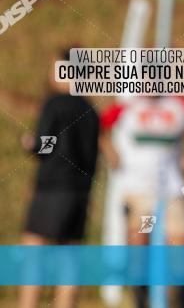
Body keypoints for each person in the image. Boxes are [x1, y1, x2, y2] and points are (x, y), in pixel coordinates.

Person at [99, 94, 184, 308]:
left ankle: (178, 302)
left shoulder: (179, 106)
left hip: (172, 193)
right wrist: (113, 156)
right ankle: (141, 302)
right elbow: (98, 126)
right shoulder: (127, 107)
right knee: (139, 251)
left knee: (181, 251)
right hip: (140, 193)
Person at [19, 50, 99, 308]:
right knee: (70, 258)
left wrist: (30, 143)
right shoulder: (90, 109)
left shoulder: (54, 104)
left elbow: (44, 145)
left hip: (53, 189)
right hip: (81, 191)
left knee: (34, 255)